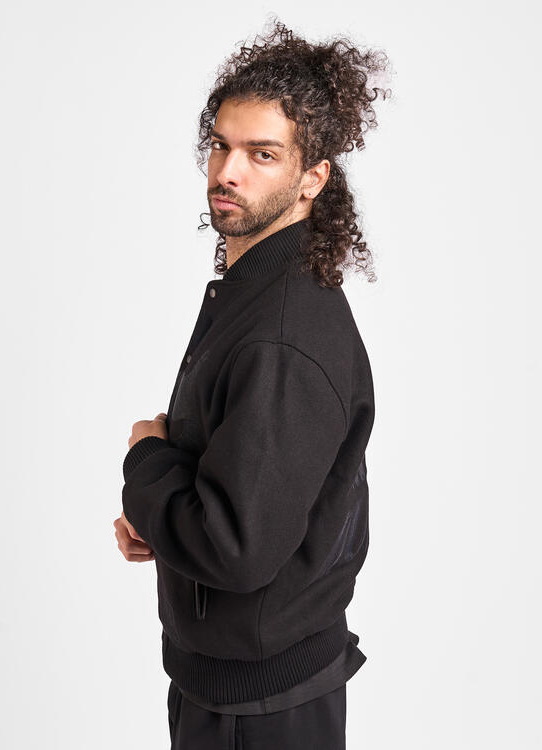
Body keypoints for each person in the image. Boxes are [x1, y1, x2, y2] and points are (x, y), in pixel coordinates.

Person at [114, 18, 391, 749]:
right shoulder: (251, 289)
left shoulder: (282, 333)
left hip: (261, 711)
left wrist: (145, 464)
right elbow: (245, 492)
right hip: (235, 687)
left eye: (262, 154)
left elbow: (233, 547)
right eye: (220, 145)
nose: (227, 172)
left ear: (313, 178)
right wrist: (164, 518)